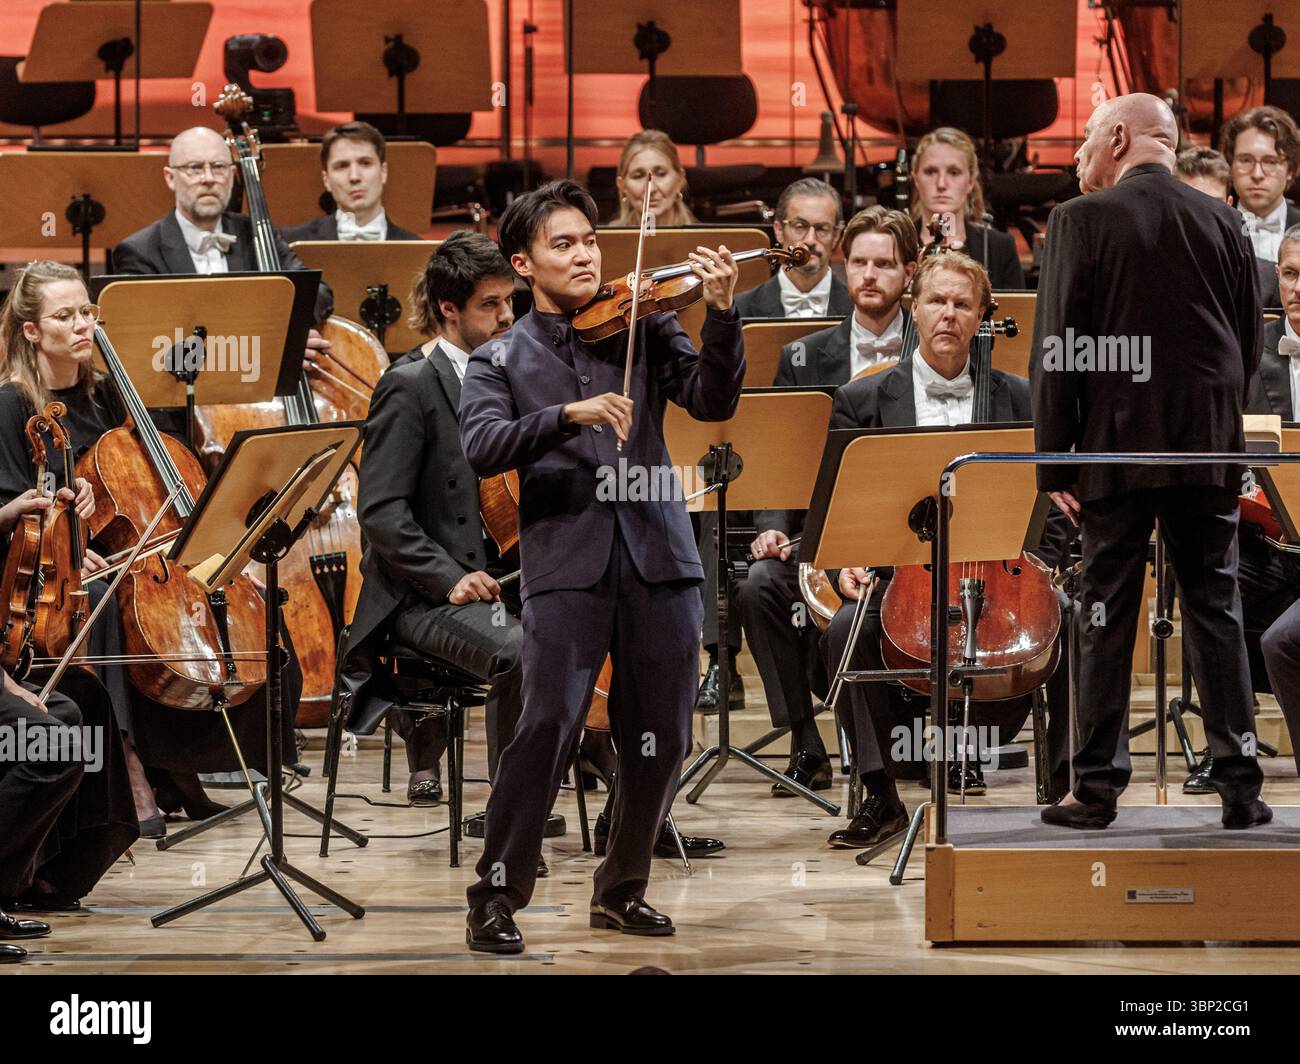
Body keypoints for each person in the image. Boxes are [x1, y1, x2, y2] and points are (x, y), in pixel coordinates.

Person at [459, 180, 742, 954]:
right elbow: (483, 445)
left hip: (660, 557)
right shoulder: (498, 359)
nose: (584, 254)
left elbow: (712, 401)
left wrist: (719, 316)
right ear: (523, 262)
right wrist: (565, 416)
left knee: (662, 733)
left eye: (589, 240)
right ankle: (497, 891)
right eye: (564, 244)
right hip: (568, 567)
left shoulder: (646, 328)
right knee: (547, 725)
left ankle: (621, 889)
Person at [1032, 92, 1267, 830]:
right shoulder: (1224, 218)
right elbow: (1248, 343)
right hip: (1206, 443)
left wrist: (1054, 465)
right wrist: (1225, 435)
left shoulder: (1078, 219)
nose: (1077, 158)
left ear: (1121, 137)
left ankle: (1095, 789)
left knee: (1104, 610)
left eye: (1086, 141)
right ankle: (1239, 784)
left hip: (1116, 444)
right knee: (1216, 607)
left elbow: (1057, 350)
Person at [0, 260, 298, 839]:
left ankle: (198, 764)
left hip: (132, 553)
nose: (84, 325)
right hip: (40, 574)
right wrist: (64, 546)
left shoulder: (110, 398)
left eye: (88, 311)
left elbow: (161, 484)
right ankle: (133, 762)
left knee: (248, 603)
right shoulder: (12, 406)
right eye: (66, 316)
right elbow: (11, 501)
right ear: (32, 331)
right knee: (110, 605)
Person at [818, 252, 1070, 847]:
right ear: (913, 308)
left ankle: (1064, 786)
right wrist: (850, 556)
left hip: (1005, 575)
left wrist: (1043, 565)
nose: (949, 315)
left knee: (1075, 622)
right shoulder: (863, 401)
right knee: (843, 630)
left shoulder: (1024, 399)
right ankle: (879, 795)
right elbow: (836, 505)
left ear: (984, 315)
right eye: (937, 301)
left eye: (963, 304)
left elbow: (1055, 508)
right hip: (901, 576)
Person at [741, 205, 922, 799]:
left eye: (885, 264)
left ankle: (930, 741)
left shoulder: (940, 347)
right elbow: (785, 454)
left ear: (909, 272)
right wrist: (771, 526)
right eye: (860, 262)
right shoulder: (804, 355)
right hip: (822, 532)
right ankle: (806, 743)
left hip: (912, 537)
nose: (870, 275)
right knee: (760, 583)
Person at [112, 126, 334, 377]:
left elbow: (318, 292)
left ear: (230, 175)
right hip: (181, 396)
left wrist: (288, 336)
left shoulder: (257, 233)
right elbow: (148, 341)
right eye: (194, 168)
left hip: (257, 384)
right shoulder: (139, 252)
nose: (208, 178)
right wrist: (267, 345)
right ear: (170, 178)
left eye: (218, 167)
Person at [911, 127, 1025, 288]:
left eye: (954, 172)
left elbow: (1017, 311)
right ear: (916, 179)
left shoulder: (999, 248)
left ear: (971, 181)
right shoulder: (897, 245)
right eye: (931, 172)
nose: (941, 184)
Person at [281, 121, 423, 242]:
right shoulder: (293, 244)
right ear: (326, 180)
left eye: (365, 163)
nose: (354, 177)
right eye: (342, 166)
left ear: (383, 172)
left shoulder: (419, 250)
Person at [734, 177, 852, 319]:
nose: (810, 240)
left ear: (836, 235)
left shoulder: (858, 308)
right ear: (778, 230)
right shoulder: (739, 309)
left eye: (822, 229)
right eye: (800, 226)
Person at [1221, 105, 1300, 309]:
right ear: (1230, 167)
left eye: (1270, 161)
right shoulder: (1210, 228)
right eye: (1245, 160)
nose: (1257, 174)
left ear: (1290, 170)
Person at [608, 130, 698, 227]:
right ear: (622, 186)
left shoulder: (704, 239)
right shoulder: (605, 240)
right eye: (638, 176)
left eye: (661, 174)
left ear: (679, 180)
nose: (651, 189)